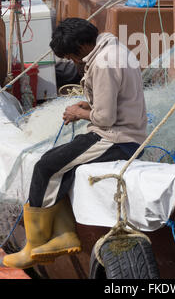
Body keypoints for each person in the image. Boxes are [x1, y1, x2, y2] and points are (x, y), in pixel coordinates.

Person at [3, 18, 148, 269]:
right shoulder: (115, 49)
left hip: (117, 138)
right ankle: (64, 234)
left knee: (45, 166)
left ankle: (36, 244)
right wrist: (87, 106)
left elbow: (105, 118)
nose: (74, 62)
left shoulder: (103, 63)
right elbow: (115, 102)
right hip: (125, 131)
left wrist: (77, 113)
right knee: (59, 162)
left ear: (82, 46)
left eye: (72, 57)